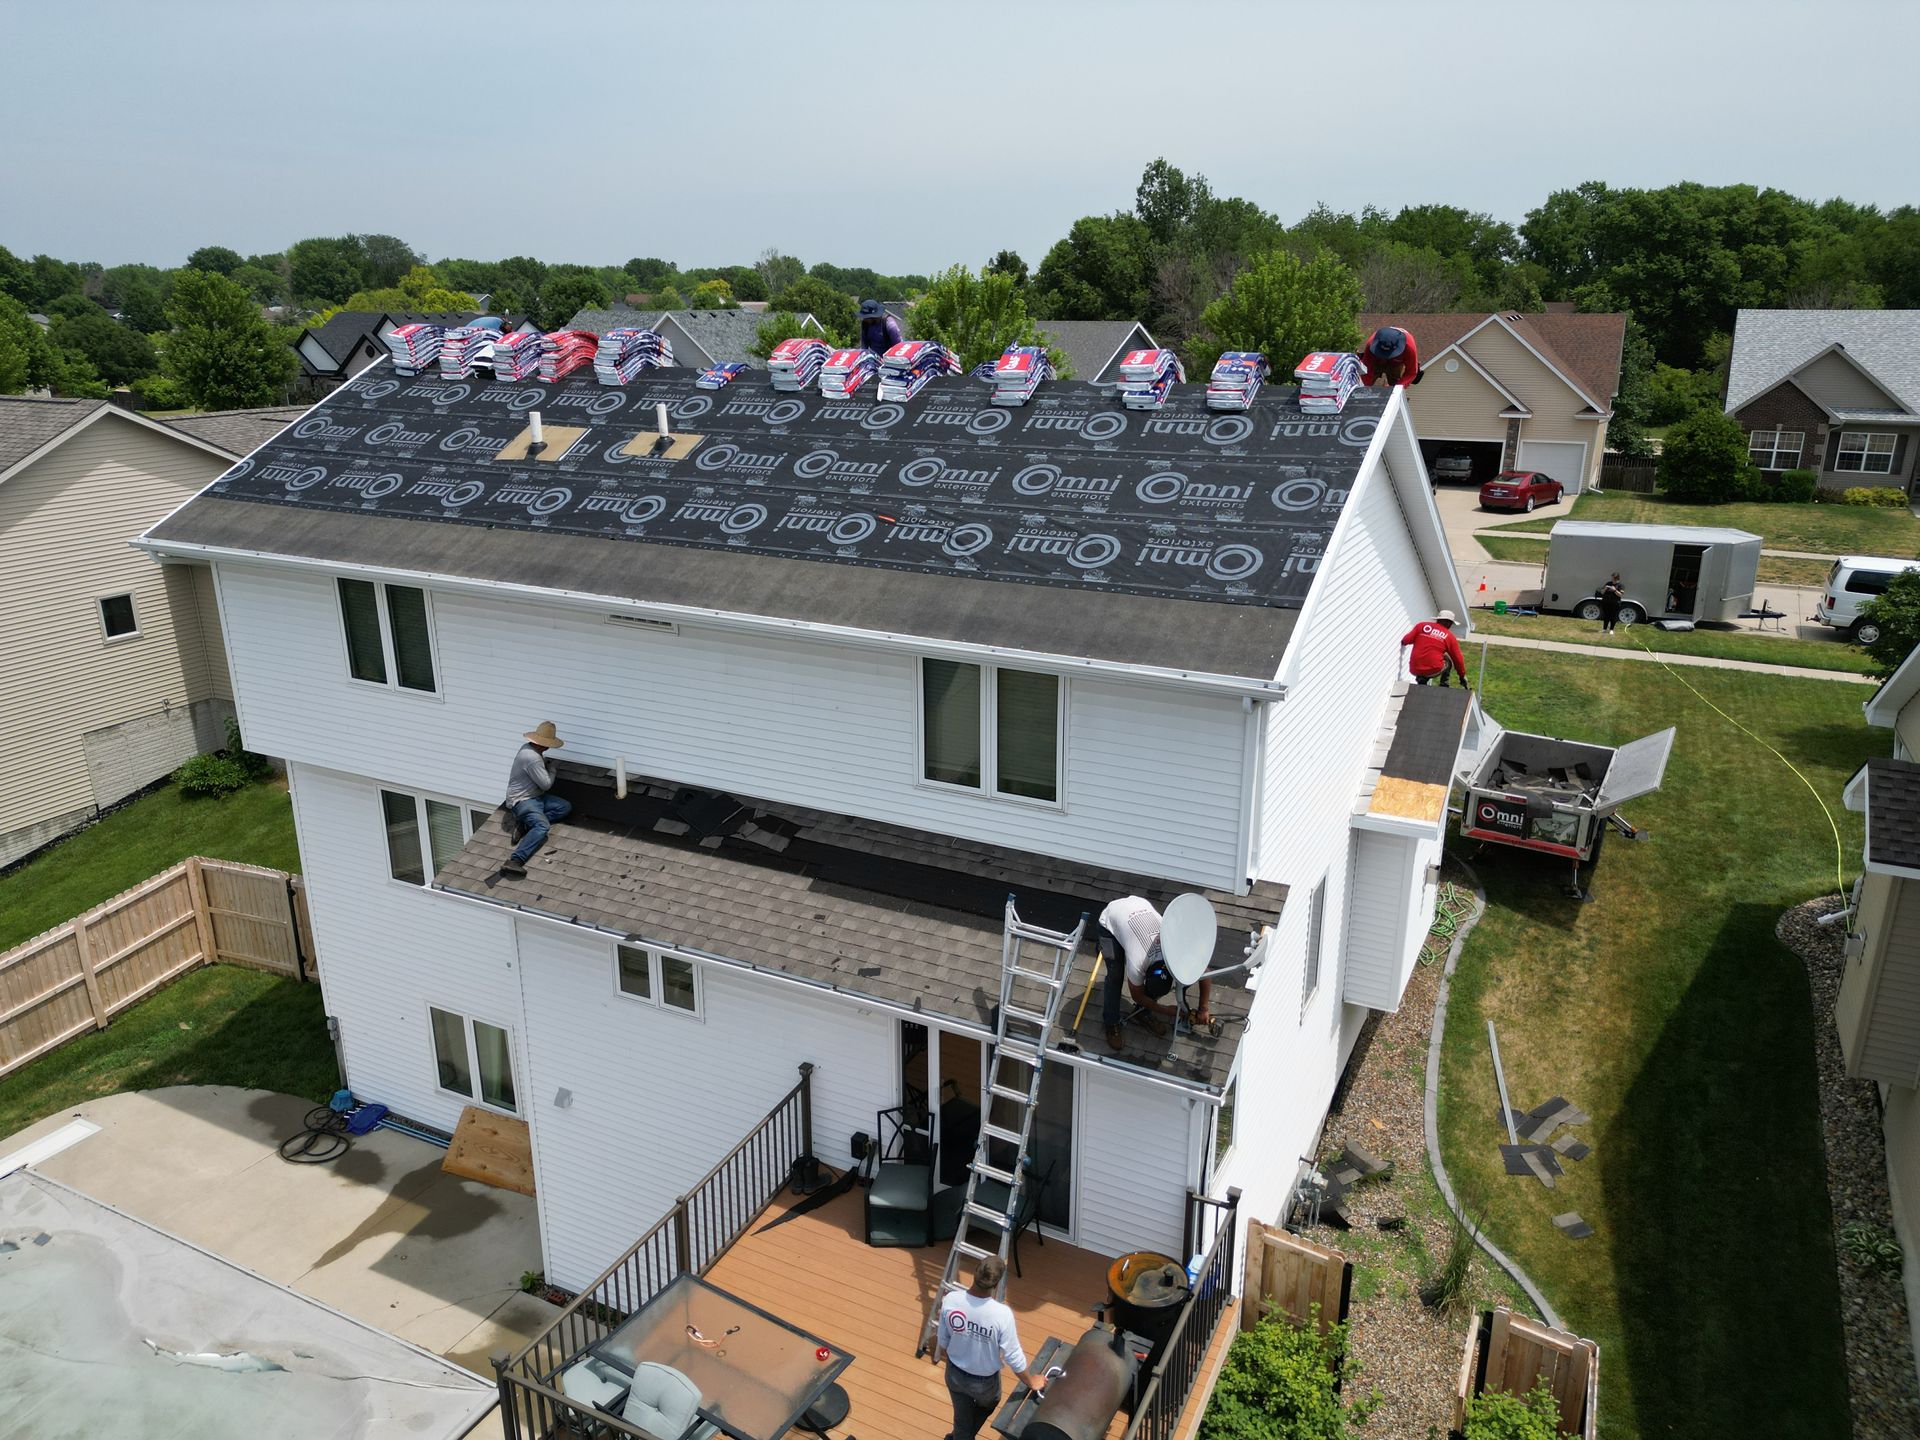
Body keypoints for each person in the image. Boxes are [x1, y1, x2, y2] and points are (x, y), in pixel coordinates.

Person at [932, 1257, 1048, 1440]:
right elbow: (1013, 1356)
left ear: (975, 1273)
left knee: (962, 1421)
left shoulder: (951, 1300)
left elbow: (943, 1341)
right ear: (997, 1283)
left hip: (954, 1373)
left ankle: (959, 1436)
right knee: (989, 1404)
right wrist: (1031, 1382)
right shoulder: (1001, 1315)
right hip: (984, 1383)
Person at [1098, 895, 1211, 1053]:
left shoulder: (1177, 946)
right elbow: (1137, 996)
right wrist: (1165, 1010)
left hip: (1139, 904)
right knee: (1115, 976)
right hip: (1110, 921)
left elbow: (1204, 972)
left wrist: (1203, 1008)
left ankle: (1142, 1013)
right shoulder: (1138, 963)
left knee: (1187, 974)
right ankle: (1111, 1023)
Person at [502, 721, 570, 876]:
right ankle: (515, 860)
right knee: (542, 827)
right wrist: (552, 769)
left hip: (535, 796)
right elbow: (546, 784)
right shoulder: (532, 758)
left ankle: (525, 824)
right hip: (522, 801)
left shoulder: (528, 749)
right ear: (544, 744)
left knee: (564, 807)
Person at [1401, 611, 1469, 689]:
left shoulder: (1421, 626)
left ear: (1438, 620)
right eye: (1451, 624)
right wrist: (1462, 675)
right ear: (1448, 623)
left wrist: (1423, 638)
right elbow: (1458, 659)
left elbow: (1405, 640)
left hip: (1414, 669)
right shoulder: (1450, 637)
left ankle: (1422, 679)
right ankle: (1444, 684)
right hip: (1433, 670)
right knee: (1448, 659)